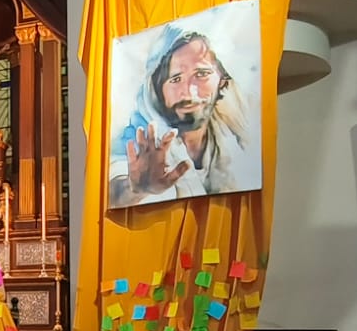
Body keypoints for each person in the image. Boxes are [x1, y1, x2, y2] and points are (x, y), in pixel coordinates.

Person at [108, 28, 258, 207]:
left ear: (223, 81)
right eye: (175, 79)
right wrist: (136, 189)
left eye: (201, 74)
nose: (189, 92)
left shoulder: (236, 132)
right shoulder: (140, 140)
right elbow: (112, 189)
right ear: (157, 89)